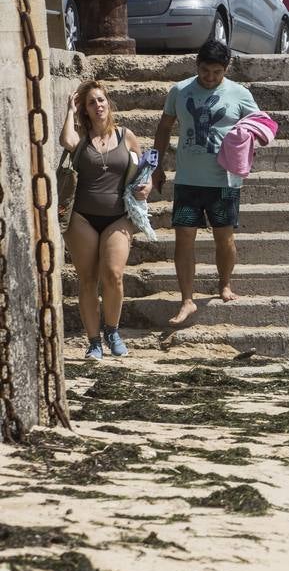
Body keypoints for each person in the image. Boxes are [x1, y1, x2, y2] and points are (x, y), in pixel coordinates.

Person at [151, 40, 259, 325]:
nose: (209, 78)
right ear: (196, 65)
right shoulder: (180, 90)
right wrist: (156, 165)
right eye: (204, 71)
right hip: (188, 181)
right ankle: (187, 300)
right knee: (183, 237)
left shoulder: (239, 94)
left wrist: (244, 142)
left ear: (226, 69)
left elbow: (263, 127)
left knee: (224, 237)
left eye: (216, 72)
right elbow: (163, 128)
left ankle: (224, 284)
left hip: (224, 181)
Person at [59, 80, 151, 359]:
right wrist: (69, 111)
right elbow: (66, 141)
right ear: (84, 110)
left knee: (113, 275)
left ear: (108, 103)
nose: (98, 106)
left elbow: (143, 170)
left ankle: (112, 330)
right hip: (82, 218)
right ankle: (93, 342)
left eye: (101, 100)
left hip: (119, 217)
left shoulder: (126, 135)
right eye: (91, 103)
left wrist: (145, 187)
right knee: (87, 280)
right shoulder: (81, 139)